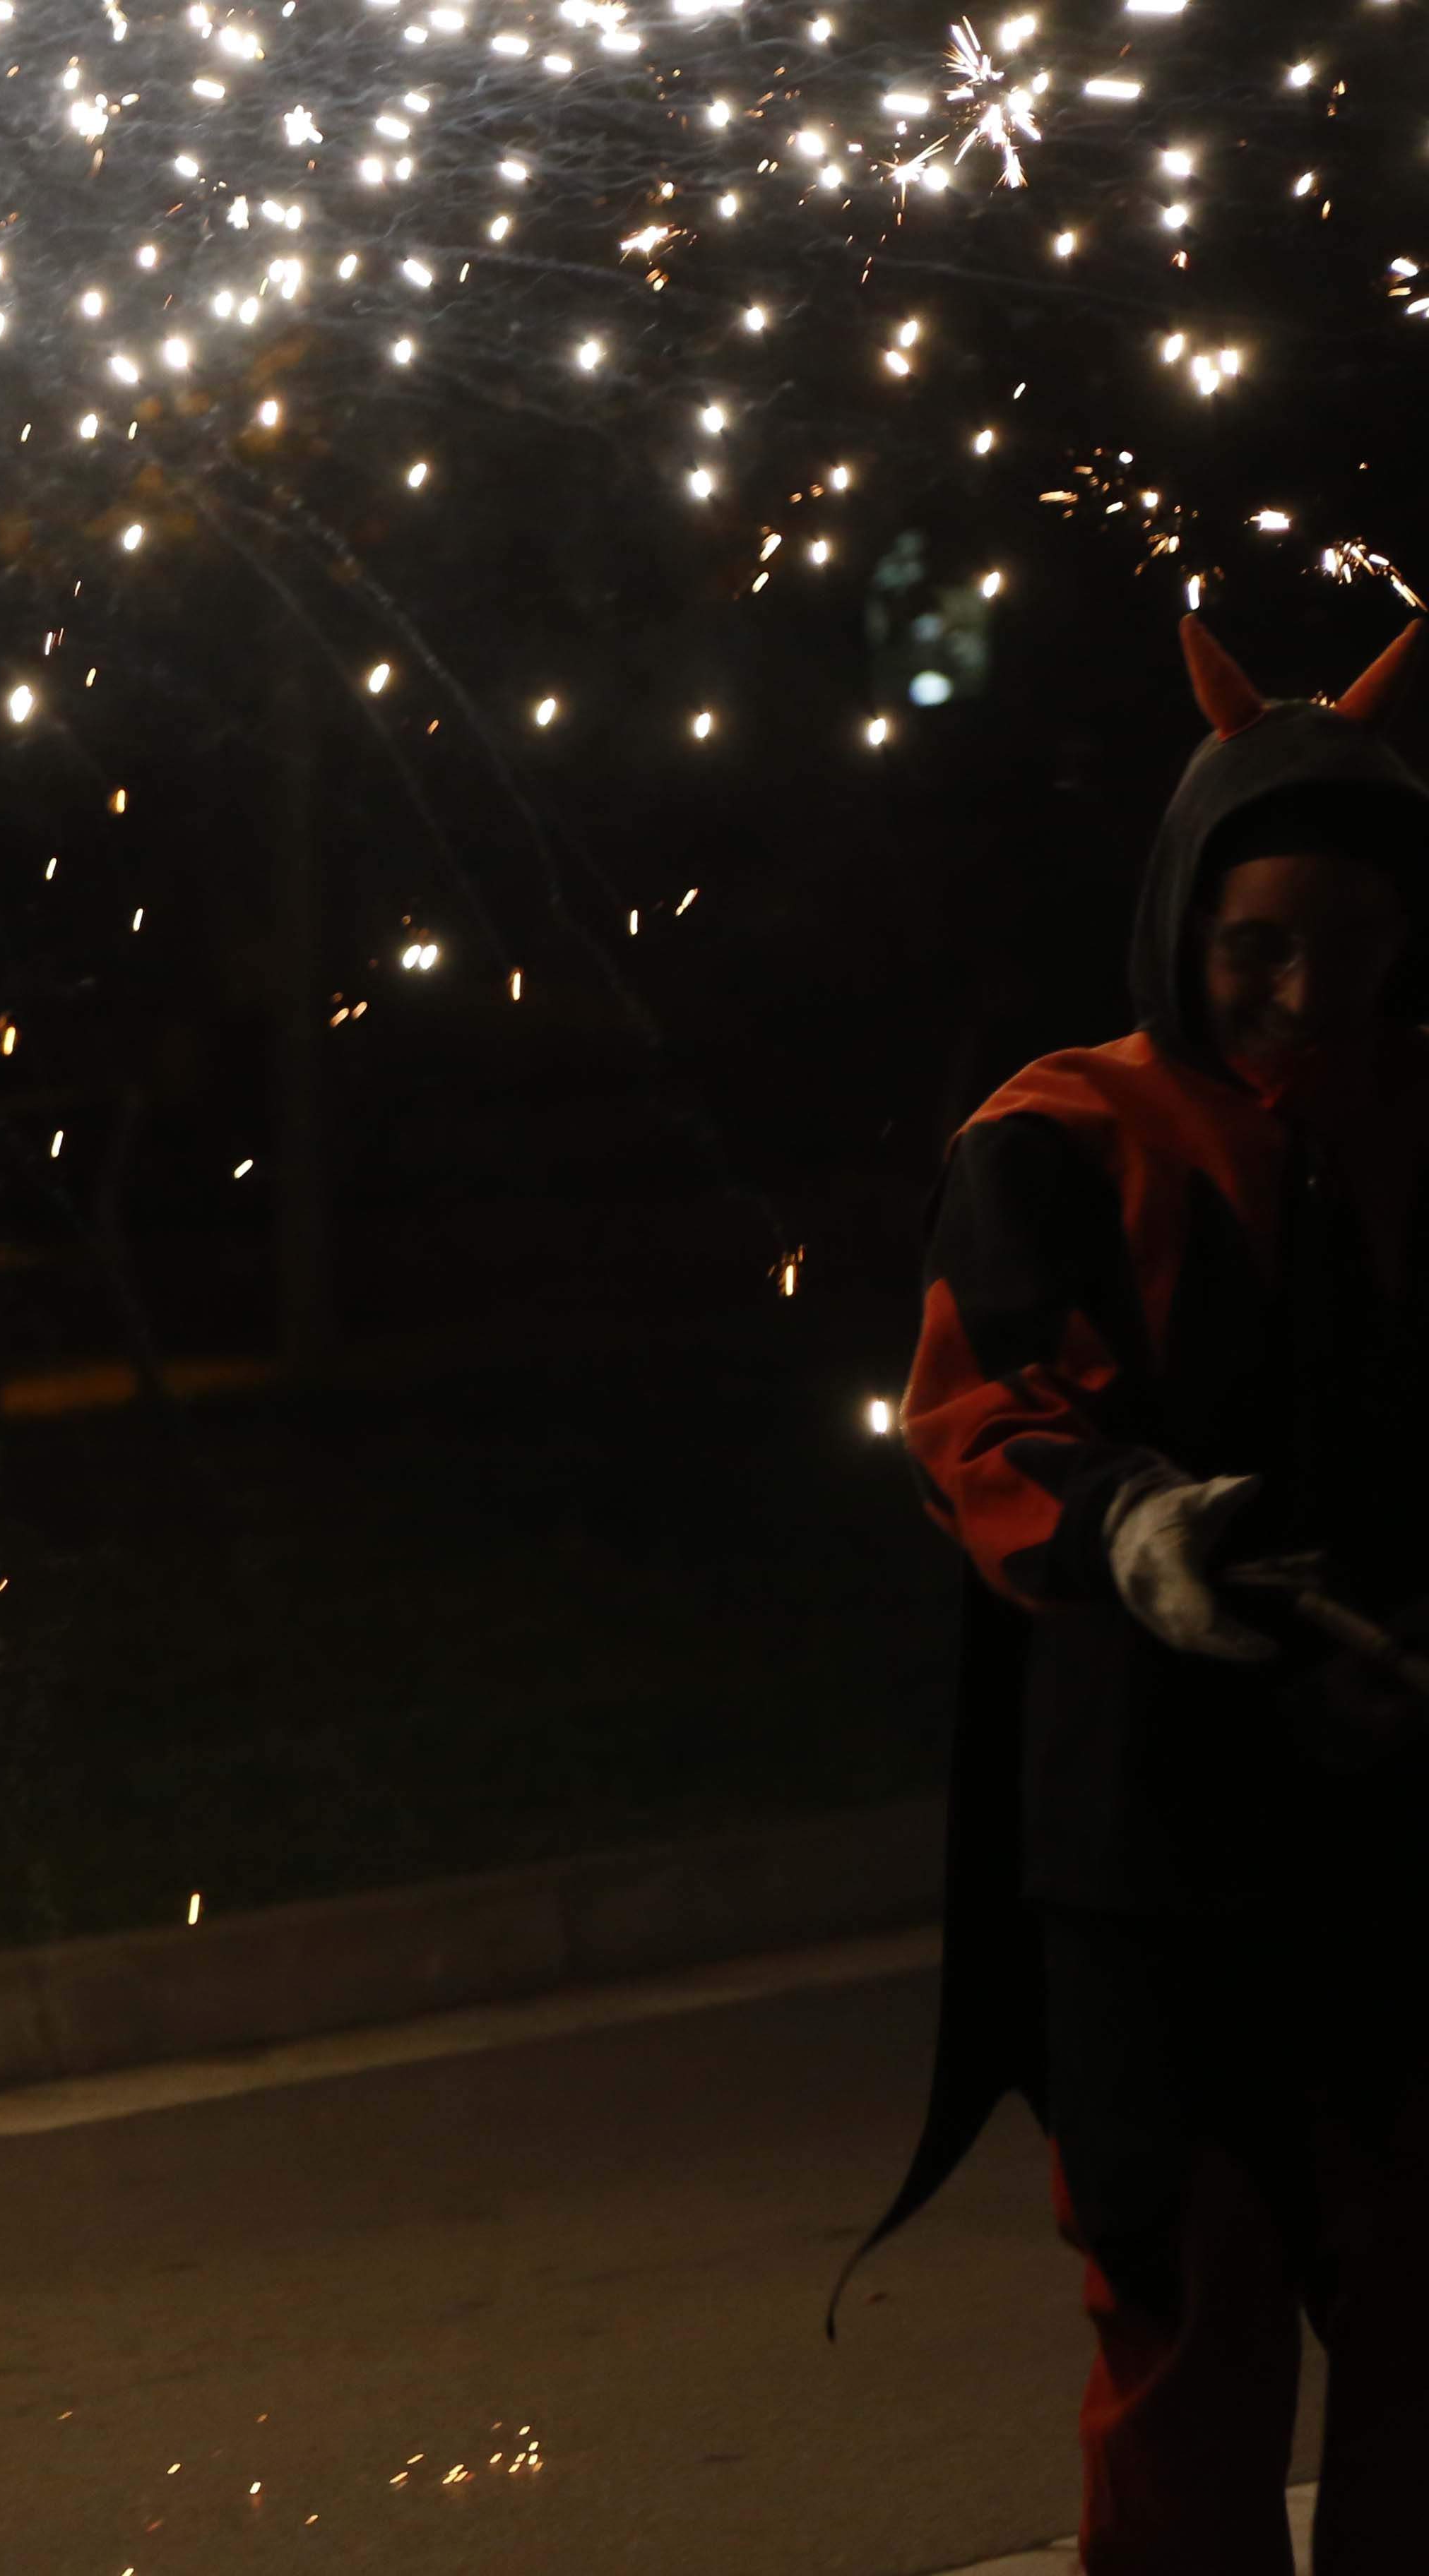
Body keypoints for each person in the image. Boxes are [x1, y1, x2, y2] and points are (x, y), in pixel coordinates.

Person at [853, 616, 1429, 2573]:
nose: (1298, 1000)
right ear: (1181, 916)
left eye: (1350, 956)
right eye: (1256, 948)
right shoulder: (1060, 1134)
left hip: (1407, 1847)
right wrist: (1136, 1530)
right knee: (1191, 2327)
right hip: (1152, 1864)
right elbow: (981, 1407)